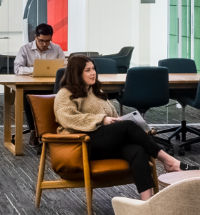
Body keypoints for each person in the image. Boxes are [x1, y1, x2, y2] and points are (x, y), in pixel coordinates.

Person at [53, 53, 181, 200]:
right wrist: (101, 120)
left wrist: (116, 120)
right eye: (88, 70)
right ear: (76, 73)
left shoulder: (95, 91)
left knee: (137, 150)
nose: (93, 73)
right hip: (83, 144)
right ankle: (167, 160)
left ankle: (147, 201)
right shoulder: (65, 94)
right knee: (128, 126)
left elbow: (112, 115)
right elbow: (67, 118)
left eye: (93, 69)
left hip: (104, 143)